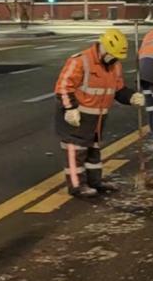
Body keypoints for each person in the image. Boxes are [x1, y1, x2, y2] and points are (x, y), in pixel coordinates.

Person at [54, 29, 145, 198]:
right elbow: (63, 87)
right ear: (103, 48)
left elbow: (118, 89)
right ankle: (77, 186)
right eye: (112, 55)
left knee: (93, 153)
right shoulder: (80, 61)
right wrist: (70, 109)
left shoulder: (115, 65)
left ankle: (95, 182)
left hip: (97, 119)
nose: (115, 59)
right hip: (76, 117)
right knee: (76, 152)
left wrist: (131, 97)